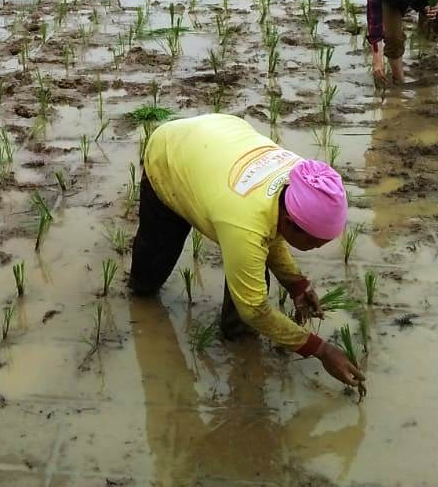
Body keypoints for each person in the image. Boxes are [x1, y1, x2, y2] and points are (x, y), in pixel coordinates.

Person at [128, 113, 365, 391]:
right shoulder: (244, 222)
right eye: (315, 242)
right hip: (170, 155)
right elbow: (254, 308)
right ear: (291, 222)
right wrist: (321, 350)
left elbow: (271, 228)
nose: (317, 247)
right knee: (150, 271)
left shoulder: (303, 181)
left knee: (250, 270)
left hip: (220, 143)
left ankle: (238, 343)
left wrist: (295, 283)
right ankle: (138, 293)